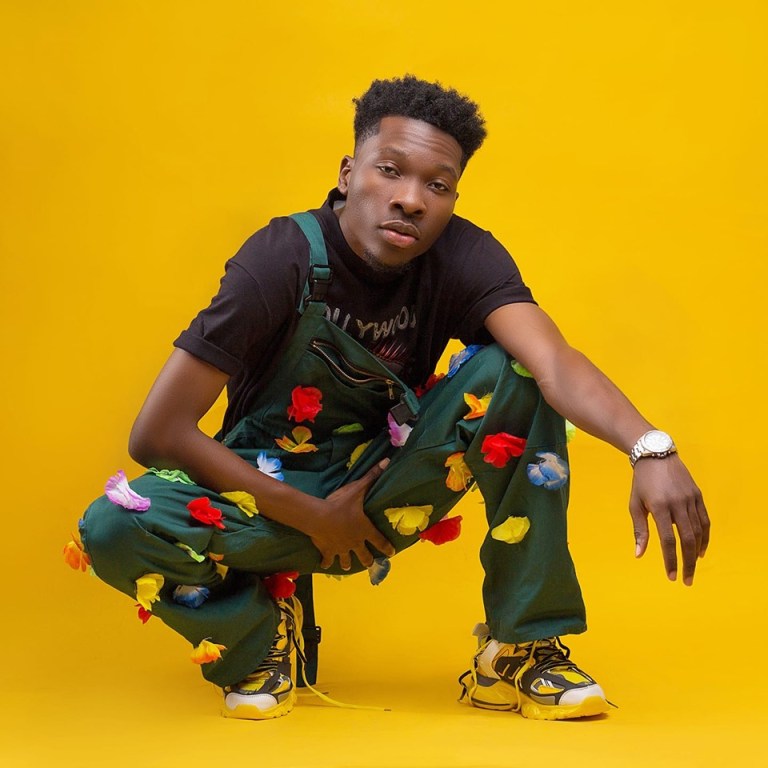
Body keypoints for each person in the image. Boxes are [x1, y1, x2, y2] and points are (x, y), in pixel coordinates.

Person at [71, 75, 709, 722]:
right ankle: (258, 640)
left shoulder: (464, 257)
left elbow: (554, 363)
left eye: (438, 185)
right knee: (111, 526)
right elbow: (158, 432)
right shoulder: (280, 257)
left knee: (514, 372)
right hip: (259, 498)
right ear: (348, 174)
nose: (411, 199)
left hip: (384, 489)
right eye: (390, 170)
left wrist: (649, 448)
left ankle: (520, 648)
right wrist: (314, 516)